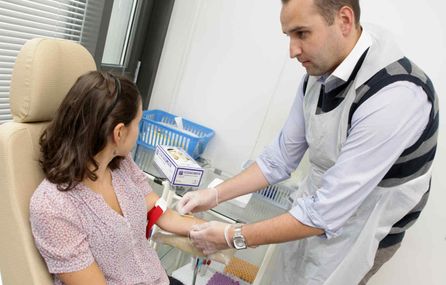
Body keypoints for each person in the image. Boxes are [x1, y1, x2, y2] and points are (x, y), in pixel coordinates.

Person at [176, 0, 439, 284]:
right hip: (317, 203)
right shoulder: (321, 70)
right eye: (289, 35)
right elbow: (278, 159)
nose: (292, 51)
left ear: (345, 21)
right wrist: (212, 195)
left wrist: (232, 236)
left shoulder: (395, 96)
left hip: (365, 225)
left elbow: (325, 213)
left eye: (301, 33)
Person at [29, 71, 200, 285]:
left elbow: (155, 207)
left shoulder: (120, 162)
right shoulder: (53, 207)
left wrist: (212, 231)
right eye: (138, 122)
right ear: (119, 133)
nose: (138, 131)